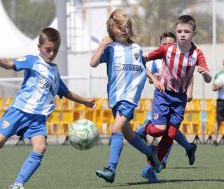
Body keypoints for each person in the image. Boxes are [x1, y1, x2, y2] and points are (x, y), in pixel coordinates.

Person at [0, 27, 96, 189]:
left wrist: (86, 102)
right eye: (48, 50)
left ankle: (18, 184)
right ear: (39, 47)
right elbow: (10, 65)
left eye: (55, 51)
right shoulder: (32, 61)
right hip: (20, 111)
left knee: (40, 147)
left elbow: (66, 92)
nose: (51, 54)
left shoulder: (55, 72)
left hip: (38, 119)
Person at [90, 9, 162, 184]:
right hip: (115, 97)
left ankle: (111, 168)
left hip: (129, 97)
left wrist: (152, 78)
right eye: (120, 26)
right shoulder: (110, 49)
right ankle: (150, 153)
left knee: (115, 130)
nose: (124, 30)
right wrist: (102, 45)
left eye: (127, 26)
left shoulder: (136, 48)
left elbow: (142, 65)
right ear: (111, 29)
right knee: (129, 135)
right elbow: (93, 63)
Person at [138, 15, 212, 182]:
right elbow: (142, 60)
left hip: (180, 99)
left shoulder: (197, 54)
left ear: (194, 34)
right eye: (179, 31)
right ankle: (145, 127)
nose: (183, 34)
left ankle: (149, 170)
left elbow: (208, 78)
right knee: (158, 130)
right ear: (176, 33)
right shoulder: (167, 49)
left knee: (170, 135)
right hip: (164, 94)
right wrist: (154, 79)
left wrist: (206, 74)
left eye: (187, 31)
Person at [138, 31, 196, 175]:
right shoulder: (156, 61)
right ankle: (188, 148)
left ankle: (157, 162)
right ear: (160, 46)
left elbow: (189, 75)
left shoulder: (180, 57)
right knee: (161, 130)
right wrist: (154, 78)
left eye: (170, 43)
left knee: (171, 132)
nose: (167, 46)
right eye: (164, 44)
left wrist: (190, 91)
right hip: (162, 97)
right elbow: (151, 79)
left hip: (178, 99)